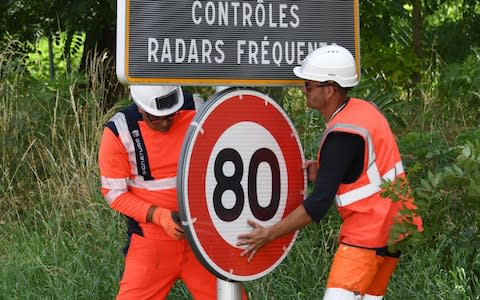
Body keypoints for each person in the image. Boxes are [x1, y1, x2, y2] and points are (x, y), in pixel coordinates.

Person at [236, 45, 423, 299]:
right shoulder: (364, 111)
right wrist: (326, 172)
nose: (304, 90)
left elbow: (317, 205)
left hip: (367, 235)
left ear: (330, 89)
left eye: (309, 85)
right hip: (396, 230)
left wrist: (269, 234)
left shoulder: (341, 135)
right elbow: (366, 168)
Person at [98, 85, 218, 299]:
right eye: (157, 118)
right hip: (151, 242)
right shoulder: (120, 130)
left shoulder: (199, 109)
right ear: (140, 109)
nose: (166, 122)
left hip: (203, 239)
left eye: (172, 115)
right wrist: (159, 215)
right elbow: (114, 193)